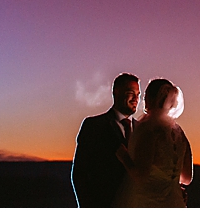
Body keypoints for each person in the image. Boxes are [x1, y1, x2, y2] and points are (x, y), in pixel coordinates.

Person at [114, 78, 193, 207]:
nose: (143, 100)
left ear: (152, 98)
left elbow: (141, 175)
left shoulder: (149, 129)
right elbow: (187, 177)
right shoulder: (179, 133)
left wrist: (123, 156)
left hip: (147, 201)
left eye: (145, 96)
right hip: (174, 202)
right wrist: (169, 182)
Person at [72, 73, 140, 207]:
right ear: (116, 92)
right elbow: (80, 173)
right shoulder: (94, 125)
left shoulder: (143, 130)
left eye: (138, 94)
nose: (135, 99)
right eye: (130, 93)